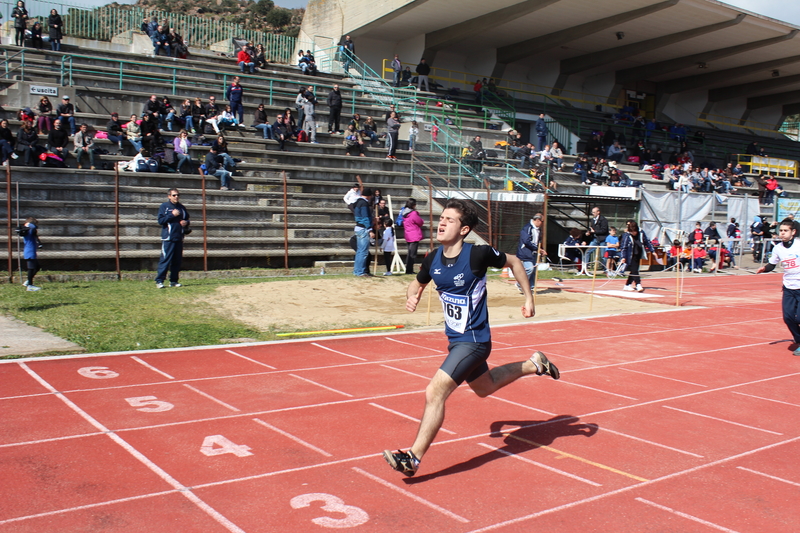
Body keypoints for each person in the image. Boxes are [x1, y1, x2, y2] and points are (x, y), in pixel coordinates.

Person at [382, 199, 560, 477]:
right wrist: (412, 296)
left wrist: (528, 297)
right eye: (441, 218)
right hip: (455, 340)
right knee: (484, 387)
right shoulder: (432, 259)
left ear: (464, 229)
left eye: (449, 220)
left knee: (435, 391)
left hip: (474, 341)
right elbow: (417, 282)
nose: (441, 223)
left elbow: (513, 261)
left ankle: (412, 458)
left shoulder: (477, 254)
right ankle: (534, 364)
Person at [756, 218, 800, 355]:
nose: (782, 233)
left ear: (793, 232)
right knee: (788, 317)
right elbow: (772, 264)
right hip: (788, 287)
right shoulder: (778, 248)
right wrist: (764, 268)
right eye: (781, 230)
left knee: (799, 318)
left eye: (785, 231)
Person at [156, 189, 190, 289]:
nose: (176, 197)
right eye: (174, 195)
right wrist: (172, 215)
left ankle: (174, 281)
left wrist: (186, 222)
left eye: (178, 195)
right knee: (165, 259)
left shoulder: (182, 208)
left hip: (179, 238)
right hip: (168, 238)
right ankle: (159, 281)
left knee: (177, 261)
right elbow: (161, 221)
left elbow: (187, 219)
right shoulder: (164, 207)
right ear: (169, 196)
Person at [619, 220, 654, 292]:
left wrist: (652, 250)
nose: (633, 233)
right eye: (631, 232)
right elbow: (623, 247)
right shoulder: (626, 235)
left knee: (634, 270)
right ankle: (638, 284)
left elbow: (647, 241)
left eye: (634, 232)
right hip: (630, 255)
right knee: (635, 270)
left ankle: (627, 285)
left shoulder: (641, 233)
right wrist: (623, 257)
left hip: (638, 253)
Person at [515, 213, 545, 294]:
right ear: (538, 220)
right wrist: (537, 249)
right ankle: (520, 284)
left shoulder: (538, 229)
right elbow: (526, 241)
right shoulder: (527, 228)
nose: (542, 223)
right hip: (526, 252)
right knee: (529, 269)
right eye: (542, 221)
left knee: (534, 270)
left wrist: (540, 249)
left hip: (534, 253)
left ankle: (531, 287)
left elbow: (537, 241)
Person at [352, 187, 375, 277]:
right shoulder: (364, 203)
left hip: (358, 227)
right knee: (363, 252)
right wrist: (370, 229)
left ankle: (357, 271)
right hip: (363, 228)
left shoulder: (357, 202)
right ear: (369, 196)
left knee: (359, 251)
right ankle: (360, 272)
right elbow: (365, 217)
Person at [400, 198, 424, 274]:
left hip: (408, 234)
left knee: (410, 253)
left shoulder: (404, 213)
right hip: (414, 235)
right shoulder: (413, 213)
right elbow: (420, 222)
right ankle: (409, 270)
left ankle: (409, 269)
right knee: (412, 254)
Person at [21, 217, 41, 291]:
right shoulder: (29, 228)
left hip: (31, 251)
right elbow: (33, 226)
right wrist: (30, 223)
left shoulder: (29, 230)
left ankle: (28, 281)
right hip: (30, 251)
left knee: (37, 267)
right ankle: (30, 285)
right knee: (31, 268)